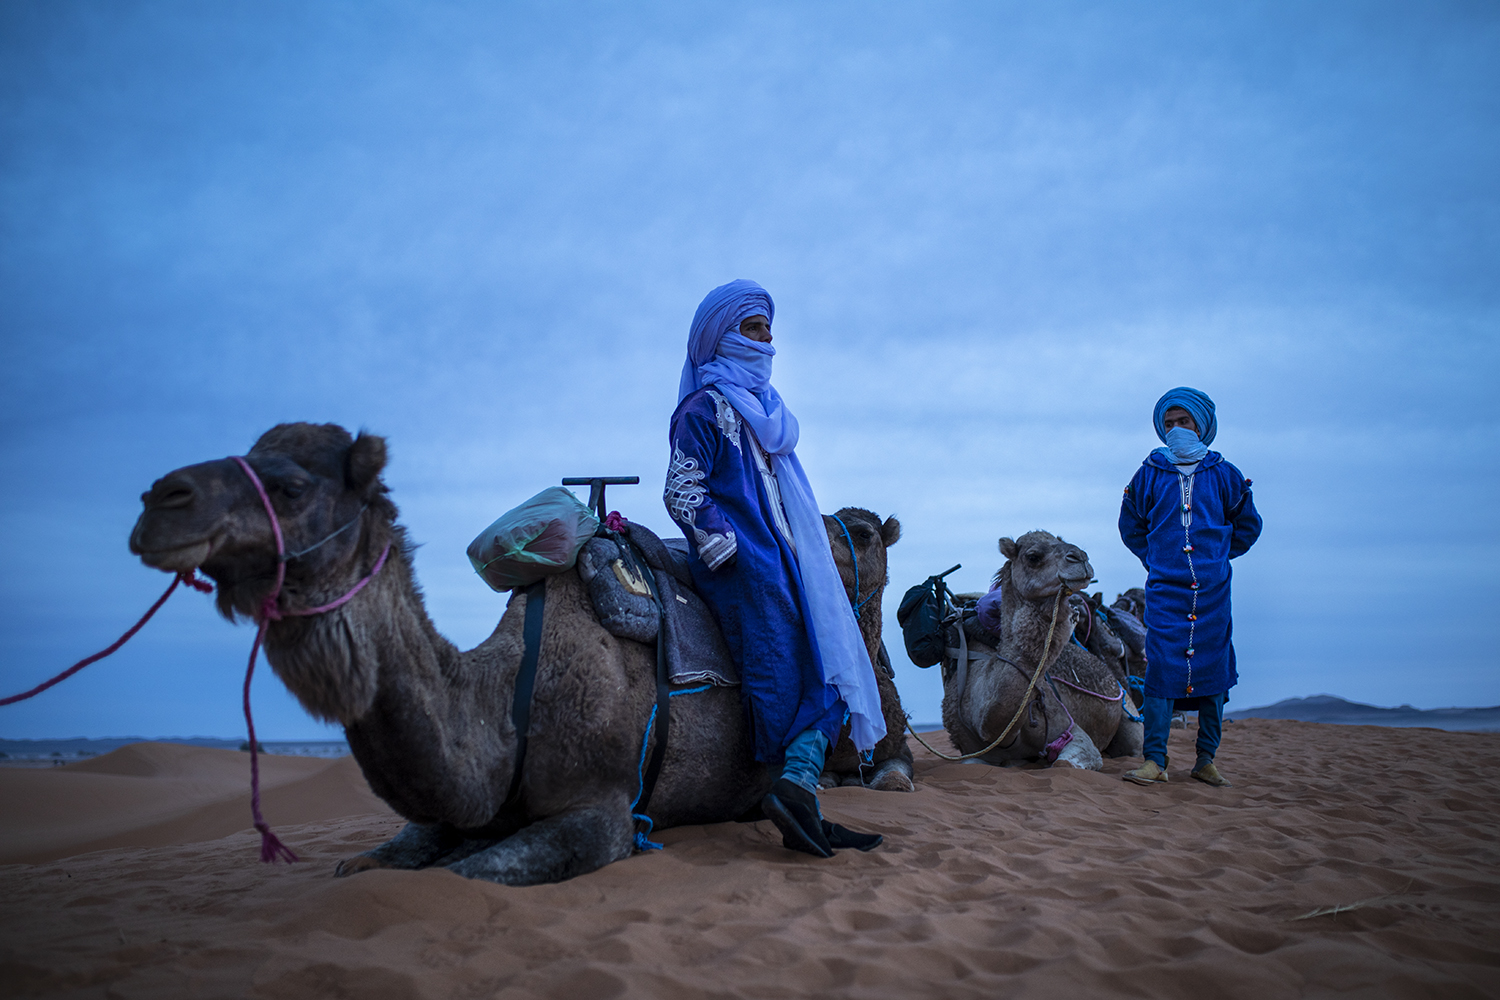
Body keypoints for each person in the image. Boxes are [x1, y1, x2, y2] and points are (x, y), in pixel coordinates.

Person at [665, 279, 885, 857]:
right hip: (743, 561)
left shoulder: (769, 416)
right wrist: (718, 539)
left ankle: (799, 790)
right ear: (720, 338)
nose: (766, 341)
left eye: (768, 329)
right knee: (786, 660)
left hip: (785, 557)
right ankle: (788, 789)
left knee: (836, 655)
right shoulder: (704, 408)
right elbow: (682, 486)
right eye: (752, 329)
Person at [1118, 387, 1262, 787]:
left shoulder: (1224, 474)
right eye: (1169, 424)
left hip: (1214, 593)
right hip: (1165, 592)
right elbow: (1130, 526)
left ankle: (1205, 760)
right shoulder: (1148, 474)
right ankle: (1155, 761)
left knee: (1213, 669)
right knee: (1161, 670)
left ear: (1201, 425)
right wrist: (1157, 559)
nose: (1176, 429)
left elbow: (1248, 525)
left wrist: (1216, 557)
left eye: (1184, 422)